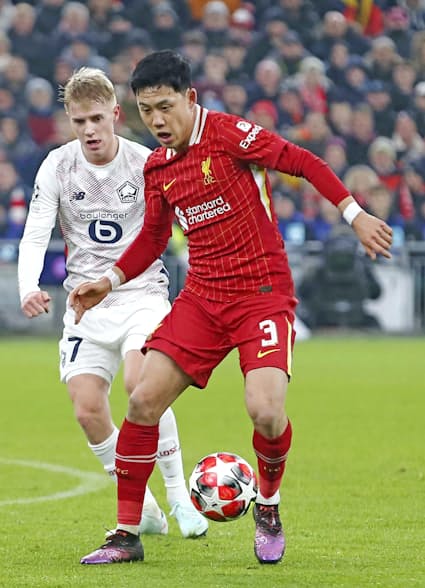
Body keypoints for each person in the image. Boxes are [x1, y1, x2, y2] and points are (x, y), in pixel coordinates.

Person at [71, 50, 393, 566]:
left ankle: (268, 504)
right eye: (146, 110)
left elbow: (303, 161)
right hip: (203, 299)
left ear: (190, 98)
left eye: (165, 107)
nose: (156, 121)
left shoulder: (229, 135)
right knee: (143, 401)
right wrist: (108, 281)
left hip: (261, 294)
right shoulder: (158, 167)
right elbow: (153, 237)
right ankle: (126, 535)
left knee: (265, 411)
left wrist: (353, 214)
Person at [17, 66, 208, 540]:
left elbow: (183, 224)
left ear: (116, 115)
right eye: (79, 121)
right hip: (86, 303)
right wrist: (28, 287)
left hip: (141, 293)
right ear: (69, 120)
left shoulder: (145, 162)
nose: (89, 130)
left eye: (97, 119)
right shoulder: (58, 166)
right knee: (86, 409)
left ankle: (179, 496)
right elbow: (36, 233)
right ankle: (144, 508)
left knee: (142, 384)